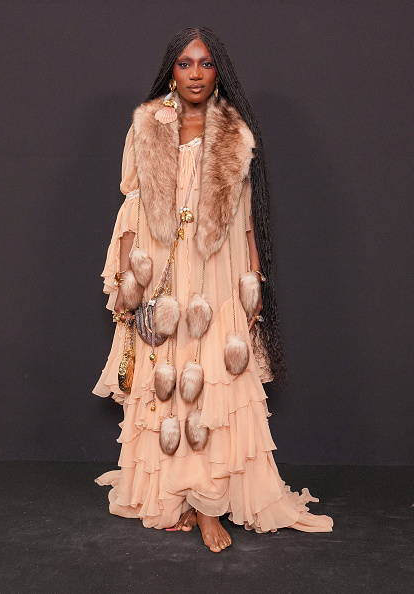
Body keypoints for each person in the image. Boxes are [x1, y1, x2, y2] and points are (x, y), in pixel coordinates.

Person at [93, 27, 333, 553]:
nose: (195, 73)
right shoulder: (147, 125)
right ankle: (176, 495)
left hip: (216, 274)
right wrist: (128, 283)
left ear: (218, 71)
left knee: (213, 379)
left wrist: (254, 283)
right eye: (185, 63)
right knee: (165, 375)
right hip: (161, 267)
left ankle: (208, 505)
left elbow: (247, 219)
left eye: (205, 63)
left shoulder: (234, 133)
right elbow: (132, 203)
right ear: (171, 72)